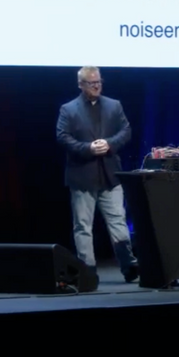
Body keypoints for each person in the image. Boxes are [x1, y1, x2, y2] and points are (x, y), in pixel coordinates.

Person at [56, 66, 139, 283]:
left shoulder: (114, 105)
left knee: (118, 222)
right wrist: (88, 148)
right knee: (83, 226)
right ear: (81, 84)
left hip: (110, 175)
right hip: (82, 176)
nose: (96, 86)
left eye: (99, 82)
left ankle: (129, 266)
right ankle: (87, 269)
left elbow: (126, 131)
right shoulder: (69, 109)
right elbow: (62, 137)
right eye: (92, 83)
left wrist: (109, 144)